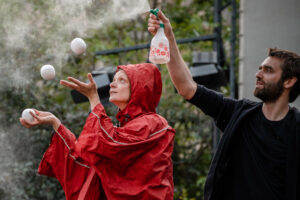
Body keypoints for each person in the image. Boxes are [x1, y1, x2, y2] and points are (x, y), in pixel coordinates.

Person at [148, 10, 300, 200]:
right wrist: (169, 36)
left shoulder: (296, 128)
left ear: (288, 81)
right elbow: (187, 88)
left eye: (268, 70)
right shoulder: (238, 113)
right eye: (260, 68)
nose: (258, 74)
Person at [20, 63, 175, 200]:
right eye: (114, 80)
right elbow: (86, 165)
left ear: (139, 88)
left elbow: (107, 143)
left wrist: (94, 98)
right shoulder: (125, 128)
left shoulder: (154, 123)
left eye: (122, 81)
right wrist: (55, 123)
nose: (113, 85)